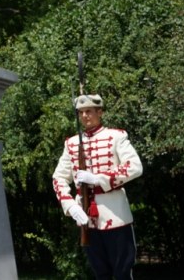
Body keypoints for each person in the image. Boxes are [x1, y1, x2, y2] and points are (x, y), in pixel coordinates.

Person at [52, 94, 144, 279]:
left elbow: (134, 167)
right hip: (87, 218)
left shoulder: (116, 136)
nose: (85, 116)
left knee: (123, 272)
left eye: (89, 111)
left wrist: (99, 179)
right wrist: (70, 206)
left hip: (116, 215)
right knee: (100, 273)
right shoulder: (71, 144)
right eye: (81, 112)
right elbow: (58, 178)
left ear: (100, 112)